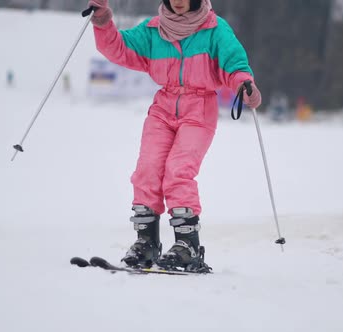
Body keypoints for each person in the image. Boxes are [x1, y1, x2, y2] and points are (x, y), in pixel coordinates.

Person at [88, 0, 262, 272]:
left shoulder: (214, 29)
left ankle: (187, 246)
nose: (179, 1)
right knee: (147, 170)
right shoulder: (154, 29)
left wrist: (243, 82)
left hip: (199, 108)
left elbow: (234, 62)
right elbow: (118, 48)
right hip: (163, 107)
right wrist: (103, 22)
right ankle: (146, 243)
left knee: (178, 171)